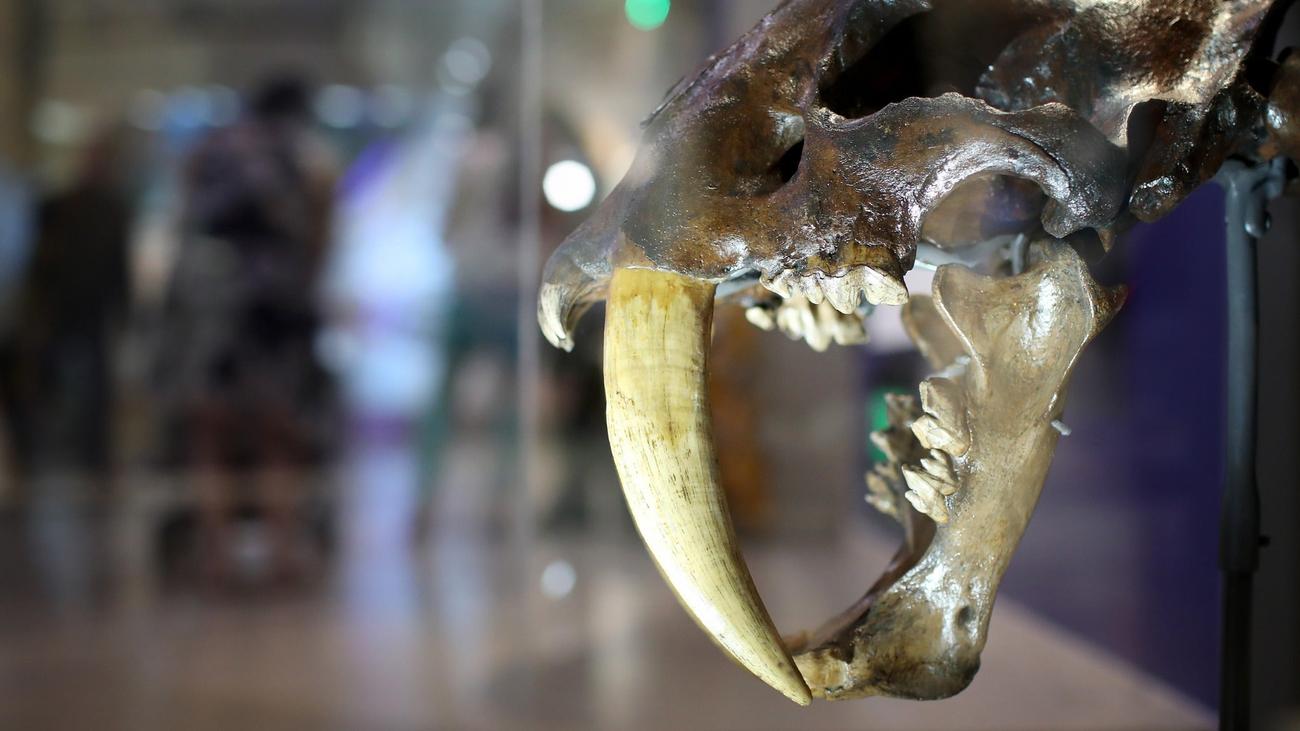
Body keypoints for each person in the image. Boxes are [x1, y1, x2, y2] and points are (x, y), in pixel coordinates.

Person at [161, 75, 337, 587]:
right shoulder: (305, 152)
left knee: (209, 428)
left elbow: (186, 216)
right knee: (277, 427)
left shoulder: (210, 147)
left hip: (207, 293)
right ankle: (282, 549)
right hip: (273, 300)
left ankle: (216, 553)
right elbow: (322, 224)